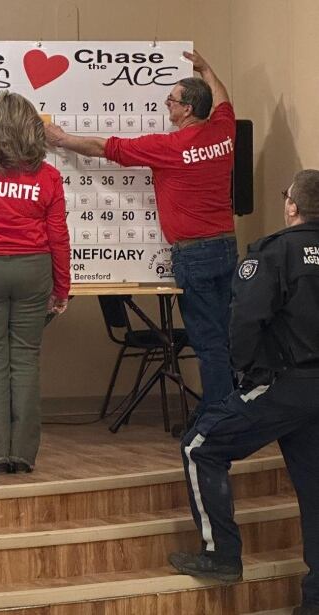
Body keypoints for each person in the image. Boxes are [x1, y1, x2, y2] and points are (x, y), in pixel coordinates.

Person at [45, 50, 237, 416]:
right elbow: (224, 99)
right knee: (226, 333)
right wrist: (208, 69)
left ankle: (217, 418)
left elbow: (106, 148)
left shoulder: (170, 147)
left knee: (207, 339)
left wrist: (63, 139)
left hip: (194, 253)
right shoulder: (224, 130)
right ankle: (232, 410)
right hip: (227, 247)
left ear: (188, 110)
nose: (167, 103)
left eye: (173, 100)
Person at [167, 170, 319, 615]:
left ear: (292, 206)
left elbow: (246, 321)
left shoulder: (273, 253)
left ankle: (220, 555)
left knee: (200, 446)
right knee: (315, 490)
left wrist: (247, 375)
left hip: (284, 384)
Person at [0, 91, 70, 474]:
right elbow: (59, 236)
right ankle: (22, 454)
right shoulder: (49, 176)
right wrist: (62, 288)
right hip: (33, 269)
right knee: (25, 360)